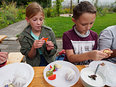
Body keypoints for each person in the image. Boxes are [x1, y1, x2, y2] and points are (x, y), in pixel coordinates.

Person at [19, 2, 57, 66]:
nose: (39, 23)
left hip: (49, 62)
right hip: (34, 64)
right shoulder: (24, 36)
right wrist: (33, 47)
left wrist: (50, 49)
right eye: (34, 20)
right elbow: (30, 56)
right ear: (28, 20)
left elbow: (54, 49)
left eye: (41, 19)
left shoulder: (49, 32)